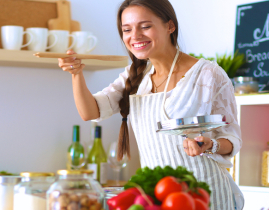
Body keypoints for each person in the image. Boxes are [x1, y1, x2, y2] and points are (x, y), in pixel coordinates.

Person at [58, 0, 244, 209]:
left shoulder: (208, 74)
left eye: (145, 26)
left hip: (205, 193)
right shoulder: (135, 75)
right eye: (126, 29)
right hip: (159, 195)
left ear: (170, 26)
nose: (134, 36)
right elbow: (90, 111)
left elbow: (231, 138)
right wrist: (76, 74)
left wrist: (210, 145)